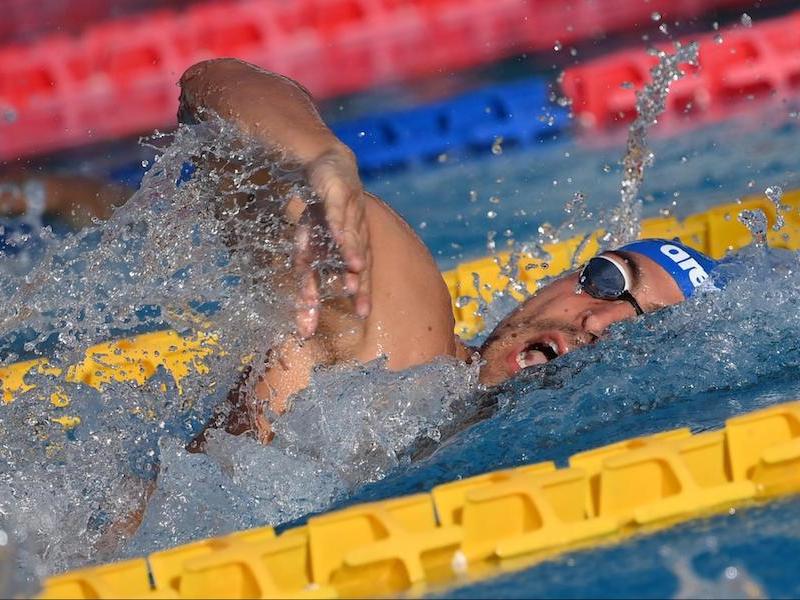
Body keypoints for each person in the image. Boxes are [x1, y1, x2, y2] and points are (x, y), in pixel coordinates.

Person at [178, 58, 720, 442]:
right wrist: (322, 158)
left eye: (643, 327)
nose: (601, 322)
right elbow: (213, 85)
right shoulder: (403, 345)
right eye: (609, 281)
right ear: (554, 284)